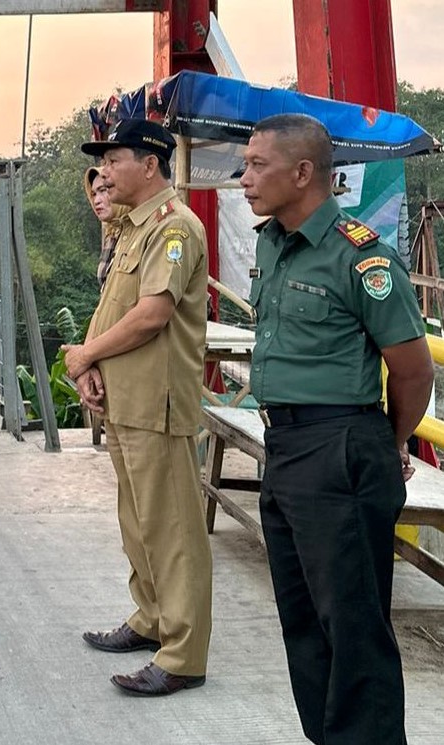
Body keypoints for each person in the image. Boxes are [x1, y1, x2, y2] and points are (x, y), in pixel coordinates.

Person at [240, 113, 433, 744]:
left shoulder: (361, 256)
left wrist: (389, 440)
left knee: (353, 628)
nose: (244, 179)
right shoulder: (272, 243)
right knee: (304, 620)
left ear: (302, 173)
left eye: (256, 165)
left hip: (341, 446)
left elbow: (410, 370)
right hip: (286, 445)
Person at [64, 119, 213, 696]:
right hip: (127, 400)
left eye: (114, 158)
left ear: (149, 164)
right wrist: (95, 367)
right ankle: (151, 617)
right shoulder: (131, 229)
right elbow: (117, 307)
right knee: (139, 521)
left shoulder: (174, 229)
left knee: (173, 528)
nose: (103, 171)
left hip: (159, 401)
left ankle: (183, 654)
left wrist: (83, 357)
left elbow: (152, 315)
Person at [84, 166, 131, 289]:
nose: (96, 201)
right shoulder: (111, 232)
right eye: (93, 194)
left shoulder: (138, 230)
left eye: (103, 190)